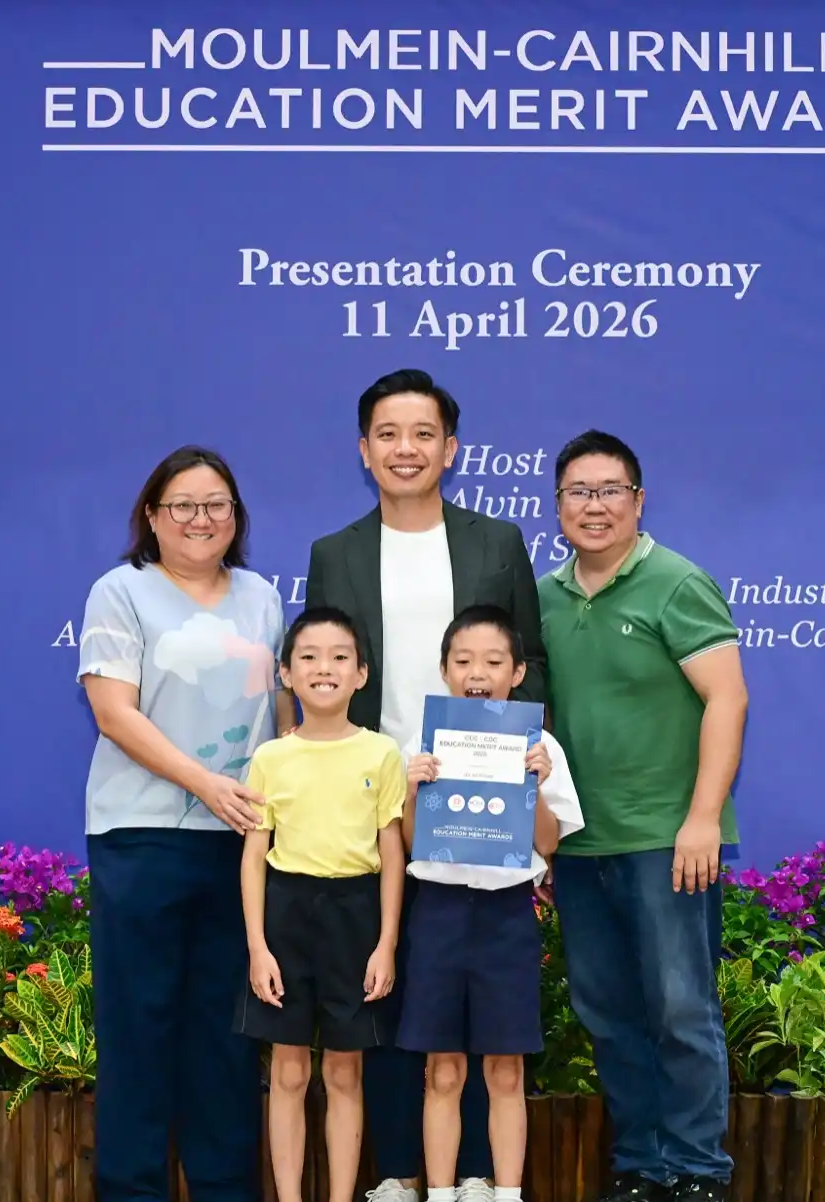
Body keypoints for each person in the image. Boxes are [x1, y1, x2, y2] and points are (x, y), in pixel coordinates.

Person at [305, 368, 547, 1202]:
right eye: (387, 434)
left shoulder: (497, 543)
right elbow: (321, 674)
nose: (404, 449)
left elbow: (533, 662)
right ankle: (400, 1170)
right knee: (386, 980)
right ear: (363, 449)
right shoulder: (334, 553)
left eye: (422, 434)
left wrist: (525, 796)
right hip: (376, 793)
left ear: (451, 449)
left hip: (478, 807)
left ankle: (476, 1171)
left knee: (476, 997)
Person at [535, 431, 750, 1202]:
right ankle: (642, 1165)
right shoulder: (543, 598)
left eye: (609, 491)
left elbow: (728, 698)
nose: (593, 506)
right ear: (557, 505)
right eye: (578, 492)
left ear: (638, 500)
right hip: (581, 845)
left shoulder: (676, 583)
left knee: (680, 1009)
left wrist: (703, 817)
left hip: (668, 840)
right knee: (608, 1012)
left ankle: (698, 1170)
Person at [76, 445, 294, 1202]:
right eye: (184, 506)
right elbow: (114, 713)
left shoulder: (262, 598)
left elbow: (281, 711)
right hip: (142, 836)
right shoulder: (121, 591)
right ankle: (130, 1188)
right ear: (152, 515)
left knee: (227, 1034)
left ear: (236, 516)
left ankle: (225, 1187)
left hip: (239, 844)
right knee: (138, 1027)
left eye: (216, 506)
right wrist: (205, 783)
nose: (201, 519)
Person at [398, 605, 585, 1202]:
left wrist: (534, 785)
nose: (477, 672)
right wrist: (413, 790)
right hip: (437, 914)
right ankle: (440, 1192)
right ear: (444, 670)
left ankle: (507, 1193)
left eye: (493, 661)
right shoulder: (421, 743)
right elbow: (409, 842)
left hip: (507, 917)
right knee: (443, 1070)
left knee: (506, 1069)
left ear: (517, 672)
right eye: (463, 661)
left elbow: (549, 843)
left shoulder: (540, 745)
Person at [236, 606, 408, 1202]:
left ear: (361, 673)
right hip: (286, 914)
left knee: (344, 1069)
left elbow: (391, 853)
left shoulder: (382, 754)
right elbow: (254, 857)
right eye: (308, 657)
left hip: (356, 916)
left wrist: (386, 945)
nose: (324, 668)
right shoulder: (271, 757)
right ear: (286, 673)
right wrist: (258, 948)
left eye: (340, 657)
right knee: (287, 1069)